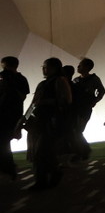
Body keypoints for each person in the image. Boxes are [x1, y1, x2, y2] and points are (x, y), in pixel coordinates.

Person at [27, 58, 72, 189]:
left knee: (41, 151)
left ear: (54, 68)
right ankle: (49, 175)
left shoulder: (60, 81)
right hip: (40, 121)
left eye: (46, 67)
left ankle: (43, 179)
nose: (43, 69)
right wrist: (25, 118)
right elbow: (34, 103)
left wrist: (46, 102)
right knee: (41, 151)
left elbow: (67, 100)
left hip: (50, 121)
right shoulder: (43, 83)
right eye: (43, 67)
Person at [0, 56, 31, 180]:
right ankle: (8, 167)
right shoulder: (20, 78)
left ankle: (9, 168)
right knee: (4, 141)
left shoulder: (17, 79)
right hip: (12, 113)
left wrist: (10, 86)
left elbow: (22, 96)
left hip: (9, 114)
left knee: (3, 141)